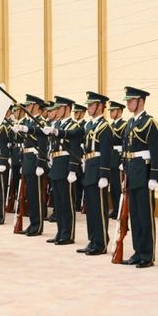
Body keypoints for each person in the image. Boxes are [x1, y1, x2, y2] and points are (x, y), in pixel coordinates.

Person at [120, 86, 158, 268]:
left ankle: (147, 254)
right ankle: (137, 251)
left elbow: (155, 151)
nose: (128, 103)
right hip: (131, 172)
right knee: (134, 215)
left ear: (141, 101)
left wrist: (154, 176)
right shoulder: (130, 123)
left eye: (131, 100)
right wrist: (123, 165)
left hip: (143, 173)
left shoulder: (149, 123)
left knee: (145, 215)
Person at [43, 96, 83, 245]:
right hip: (56, 165)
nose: (57, 111)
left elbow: (75, 148)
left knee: (67, 202)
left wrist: (73, 169)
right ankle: (60, 231)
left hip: (66, 165)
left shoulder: (74, 126)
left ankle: (68, 234)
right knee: (58, 203)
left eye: (59, 108)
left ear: (67, 108)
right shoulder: (56, 124)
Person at [76, 92, 112, 256]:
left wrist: (104, 174)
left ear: (100, 106)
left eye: (91, 105)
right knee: (90, 208)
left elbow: (106, 152)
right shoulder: (89, 126)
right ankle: (93, 240)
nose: (88, 108)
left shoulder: (105, 127)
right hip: (89, 168)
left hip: (98, 170)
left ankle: (101, 242)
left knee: (99, 208)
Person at [12, 94, 49, 236]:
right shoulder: (28, 122)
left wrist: (41, 163)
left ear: (35, 106)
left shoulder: (41, 122)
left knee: (36, 195)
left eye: (28, 105)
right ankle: (32, 224)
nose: (26, 107)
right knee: (29, 195)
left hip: (35, 160)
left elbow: (43, 145)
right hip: (27, 160)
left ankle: (37, 226)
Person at [108, 101, 127, 219]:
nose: (110, 113)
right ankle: (115, 209)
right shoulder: (111, 126)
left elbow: (125, 144)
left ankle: (121, 210)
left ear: (119, 111)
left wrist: (122, 160)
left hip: (118, 156)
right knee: (113, 186)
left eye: (112, 110)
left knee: (119, 187)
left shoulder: (124, 125)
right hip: (111, 156)